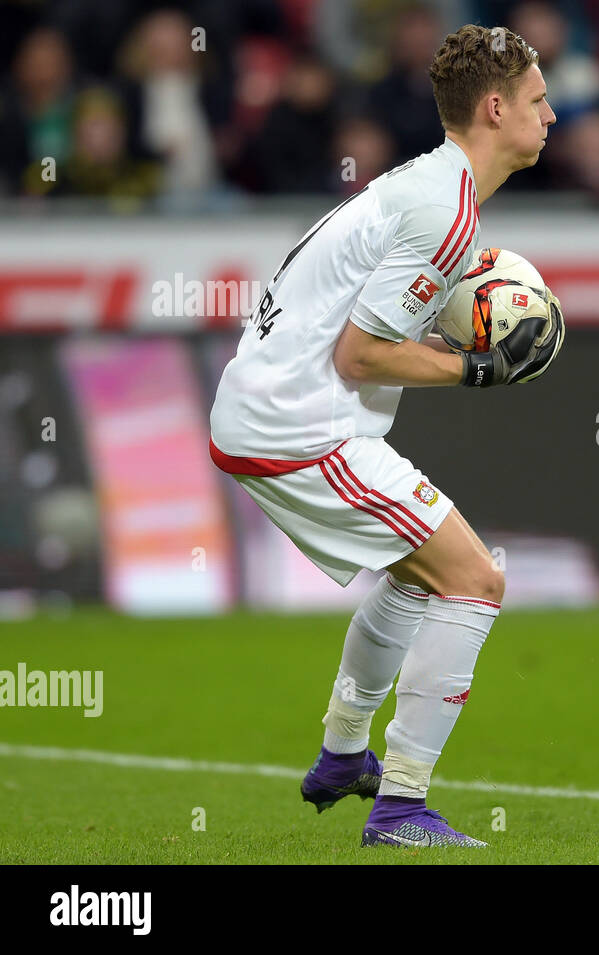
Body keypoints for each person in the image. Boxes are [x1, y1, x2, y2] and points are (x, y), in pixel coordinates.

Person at [207, 24, 563, 849]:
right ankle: (402, 806)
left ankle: (342, 754)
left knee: (418, 578)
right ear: (496, 106)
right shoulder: (444, 212)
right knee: (475, 579)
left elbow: (365, 338)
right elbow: (361, 353)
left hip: (277, 409)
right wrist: (478, 369)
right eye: (540, 101)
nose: (554, 115)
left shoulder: (432, 190)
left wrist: (449, 349)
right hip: (299, 424)